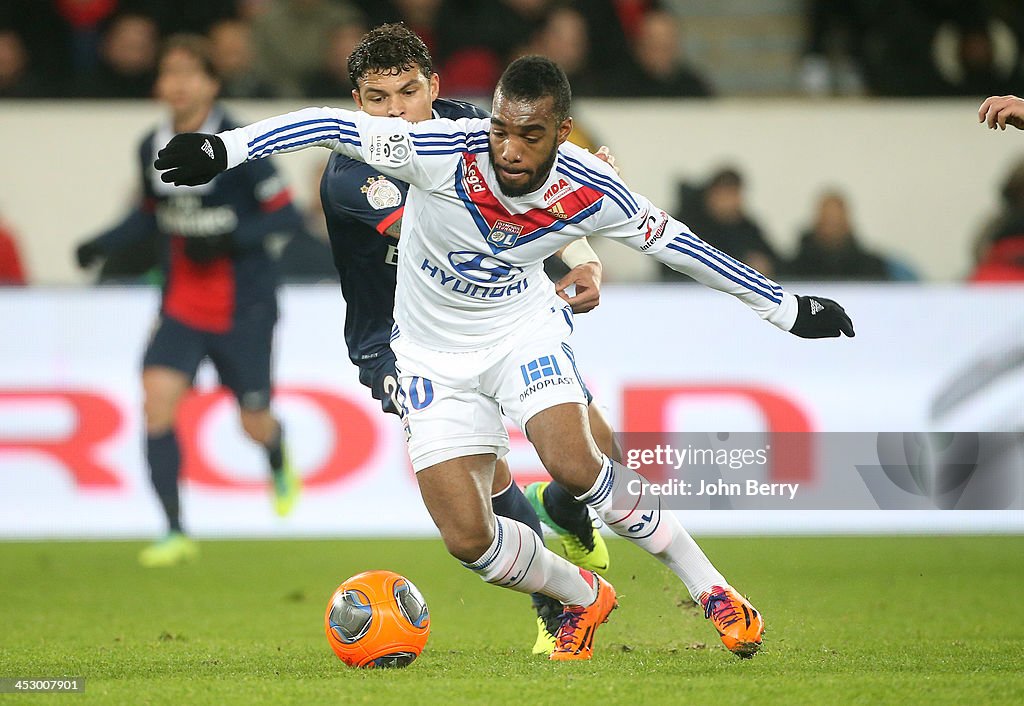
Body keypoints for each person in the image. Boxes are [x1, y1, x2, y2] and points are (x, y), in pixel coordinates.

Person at [155, 54, 855, 661]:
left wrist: (788, 310)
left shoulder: (593, 186)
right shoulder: (439, 150)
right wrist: (224, 150)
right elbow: (327, 125)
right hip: (427, 355)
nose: (510, 149)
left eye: (530, 135)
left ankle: (716, 592)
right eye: (501, 129)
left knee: (575, 459)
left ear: (561, 135)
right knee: (467, 538)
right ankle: (581, 595)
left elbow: (683, 246)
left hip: (522, 330)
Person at [318, 23, 615, 655]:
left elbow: (547, 193)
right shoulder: (351, 175)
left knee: (598, 451)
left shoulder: (483, 131)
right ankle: (557, 607)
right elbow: (480, 230)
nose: (394, 111)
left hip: (501, 319)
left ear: (436, 87)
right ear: (356, 104)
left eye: (407, 92)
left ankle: (563, 508)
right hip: (399, 342)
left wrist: (583, 259)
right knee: (485, 473)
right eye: (377, 98)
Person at [75, 34, 305, 568]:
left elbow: (286, 216)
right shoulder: (149, 143)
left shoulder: (240, 141)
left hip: (243, 303)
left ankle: (275, 450)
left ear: (210, 82)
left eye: (188, 73)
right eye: (168, 72)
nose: (176, 84)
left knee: (253, 421)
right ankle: (175, 530)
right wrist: (102, 242)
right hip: (181, 301)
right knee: (156, 401)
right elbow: (150, 213)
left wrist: (231, 238)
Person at [660, 167, 779, 281]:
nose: (732, 202)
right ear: (711, 194)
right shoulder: (686, 225)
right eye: (726, 194)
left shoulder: (745, 226)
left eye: (735, 195)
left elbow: (775, 262)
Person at [784, 190, 892, 281]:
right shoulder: (793, 270)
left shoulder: (872, 268)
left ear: (847, 224)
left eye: (837, 223)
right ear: (816, 223)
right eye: (827, 222)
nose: (831, 230)